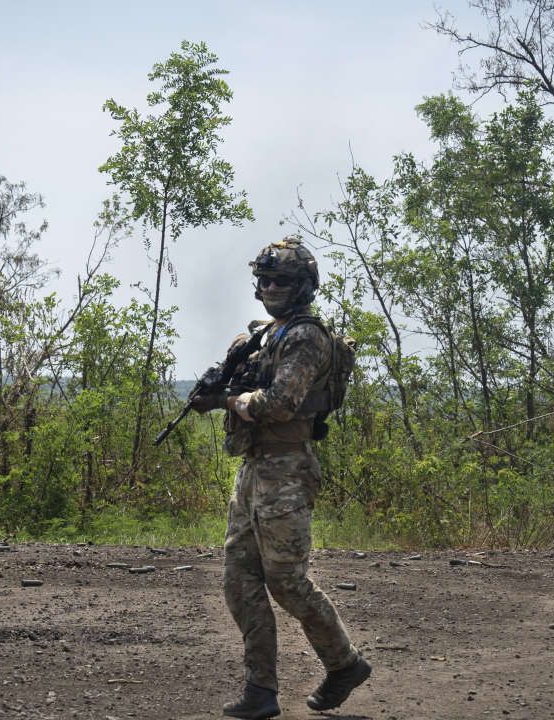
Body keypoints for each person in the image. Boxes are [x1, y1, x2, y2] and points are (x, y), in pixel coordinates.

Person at [189, 236, 371, 719]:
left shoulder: (306, 337)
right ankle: (260, 691)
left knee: (286, 582)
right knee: (238, 577)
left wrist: (225, 402)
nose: (270, 287)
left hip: (287, 470)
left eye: (281, 280)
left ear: (303, 286)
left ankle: (344, 664)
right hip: (255, 468)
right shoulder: (267, 334)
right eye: (264, 279)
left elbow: (281, 403)